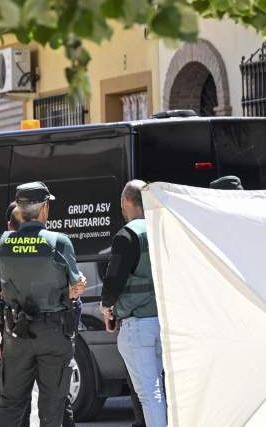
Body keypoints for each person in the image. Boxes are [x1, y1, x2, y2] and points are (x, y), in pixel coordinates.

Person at [0, 182, 86, 427]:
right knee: (52, 405)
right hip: (54, 332)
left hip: (17, 332)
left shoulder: (3, 243)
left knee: (10, 403)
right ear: (44, 208)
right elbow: (74, 287)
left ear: (20, 211)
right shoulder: (59, 241)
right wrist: (75, 286)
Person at [100, 180, 167, 427]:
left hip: (137, 324)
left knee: (150, 394)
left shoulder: (128, 234)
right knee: (163, 390)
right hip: (164, 322)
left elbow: (114, 279)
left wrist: (107, 307)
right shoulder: (162, 228)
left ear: (125, 202)